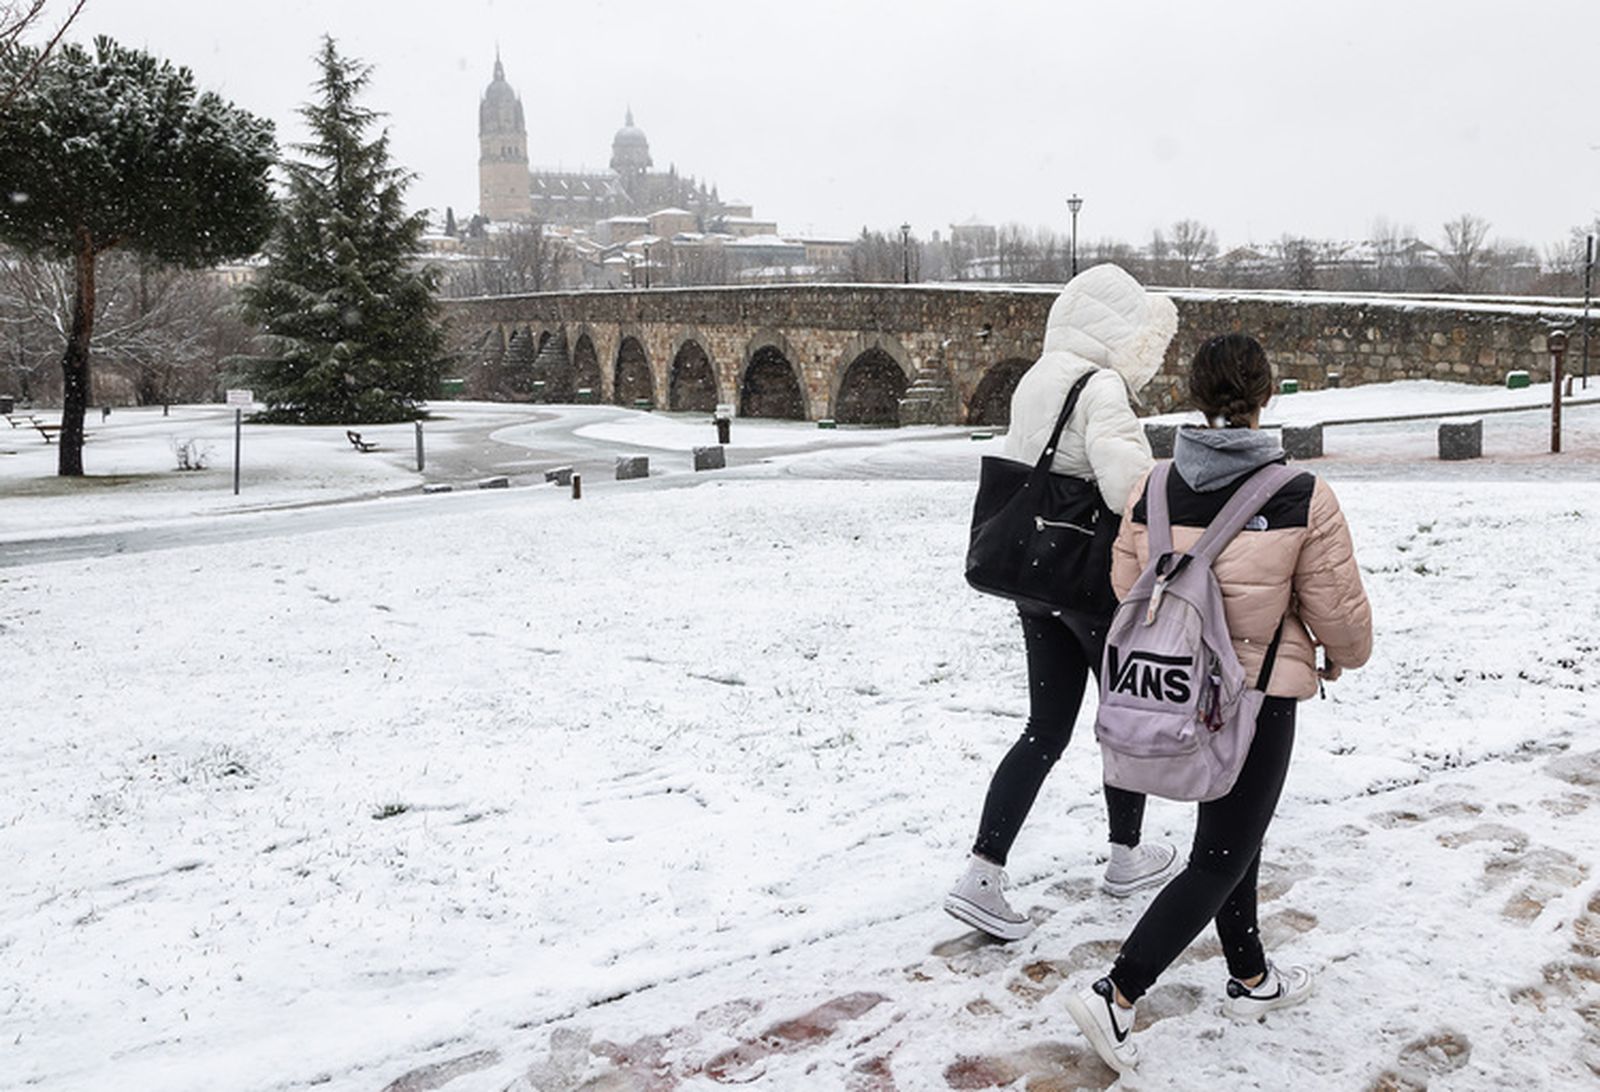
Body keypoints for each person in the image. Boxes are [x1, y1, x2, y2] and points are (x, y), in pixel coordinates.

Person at [1064, 333, 1373, 1075]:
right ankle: (1118, 993)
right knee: (1220, 855)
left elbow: (1128, 586)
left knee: (1236, 837)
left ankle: (1251, 974)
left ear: (1196, 395)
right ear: (1265, 395)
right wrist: (1343, 653)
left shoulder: (1153, 486)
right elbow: (1337, 612)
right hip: (1258, 692)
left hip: (1179, 689)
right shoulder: (1299, 494)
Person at [945, 264, 1183, 941]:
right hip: (1090, 583)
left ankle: (983, 871)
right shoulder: (1101, 386)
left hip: (1038, 580)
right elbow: (1127, 487)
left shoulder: (1038, 377)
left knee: (1045, 730)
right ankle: (1126, 854)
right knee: (1123, 720)